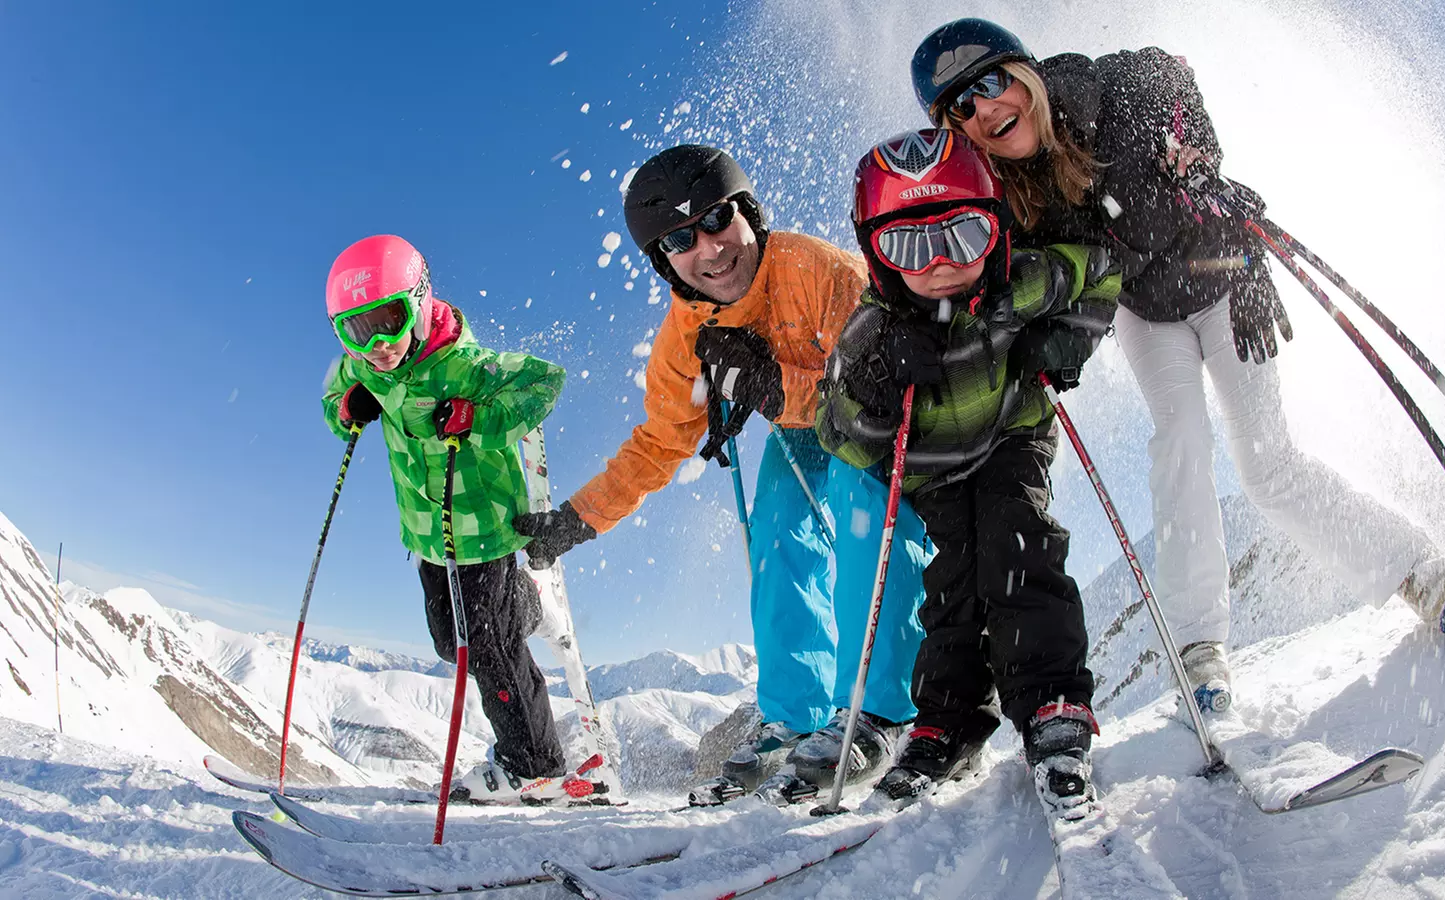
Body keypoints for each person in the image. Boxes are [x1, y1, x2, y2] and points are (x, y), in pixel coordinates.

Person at [910, 19, 1445, 713]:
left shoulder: (1098, 95)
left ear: (1023, 75)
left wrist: (1201, 159)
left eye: (993, 83)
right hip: (1149, 314)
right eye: (961, 107)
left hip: (1223, 281)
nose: (986, 109)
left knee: (1269, 466)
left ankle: (1421, 573)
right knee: (1180, 442)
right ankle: (1200, 647)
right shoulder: (1011, 197)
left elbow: (1170, 72)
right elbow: (1025, 277)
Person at [512, 145, 932, 800]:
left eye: (717, 219)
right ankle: (797, 720)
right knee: (778, 533)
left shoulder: (815, 270)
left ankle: (885, 712)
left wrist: (769, 384)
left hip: (870, 423)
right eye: (680, 238)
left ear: (749, 213)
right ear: (663, 260)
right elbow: (657, 445)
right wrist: (575, 520)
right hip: (803, 429)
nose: (709, 248)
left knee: (861, 505)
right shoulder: (685, 336)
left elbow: (876, 397)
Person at [818, 128, 1120, 818]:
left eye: (963, 233)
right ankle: (948, 722)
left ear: (997, 227)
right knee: (954, 585)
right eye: (909, 245)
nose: (941, 264)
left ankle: (1051, 699)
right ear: (876, 254)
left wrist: (1069, 336)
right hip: (933, 468)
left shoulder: (1018, 283)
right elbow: (835, 429)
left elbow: (1099, 267)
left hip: (1012, 433)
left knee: (1017, 541)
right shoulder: (873, 330)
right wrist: (874, 381)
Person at [320, 234, 593, 804]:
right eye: (355, 330)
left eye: (388, 321)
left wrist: (475, 418)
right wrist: (348, 407)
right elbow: (332, 400)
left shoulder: (467, 365)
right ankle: (527, 605)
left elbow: (544, 383)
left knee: (486, 649)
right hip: (427, 532)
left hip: (485, 527)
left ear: (419, 302)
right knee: (452, 642)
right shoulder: (363, 366)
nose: (376, 345)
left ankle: (535, 766)